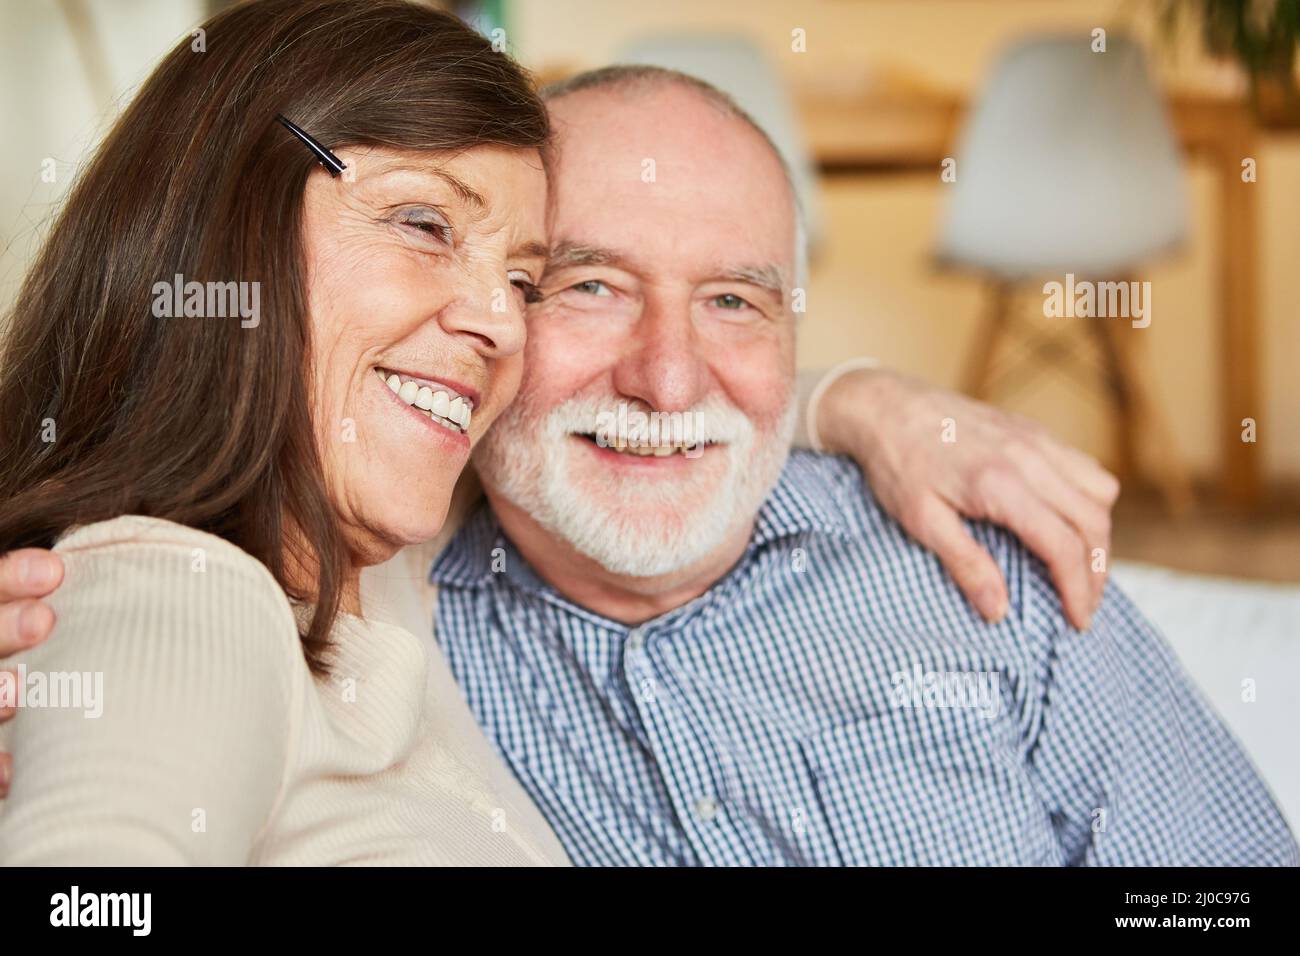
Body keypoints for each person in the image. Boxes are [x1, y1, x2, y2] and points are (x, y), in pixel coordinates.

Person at [0, 3, 1125, 864]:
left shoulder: (375, 570)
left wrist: (858, 398)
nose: (498, 320)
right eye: (424, 223)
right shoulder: (182, 592)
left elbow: (652, 408)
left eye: (529, 277)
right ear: (219, 242)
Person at [427, 66, 1296, 865]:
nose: (668, 379)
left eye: (733, 302)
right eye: (593, 287)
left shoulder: (989, 568)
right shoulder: (390, 624)